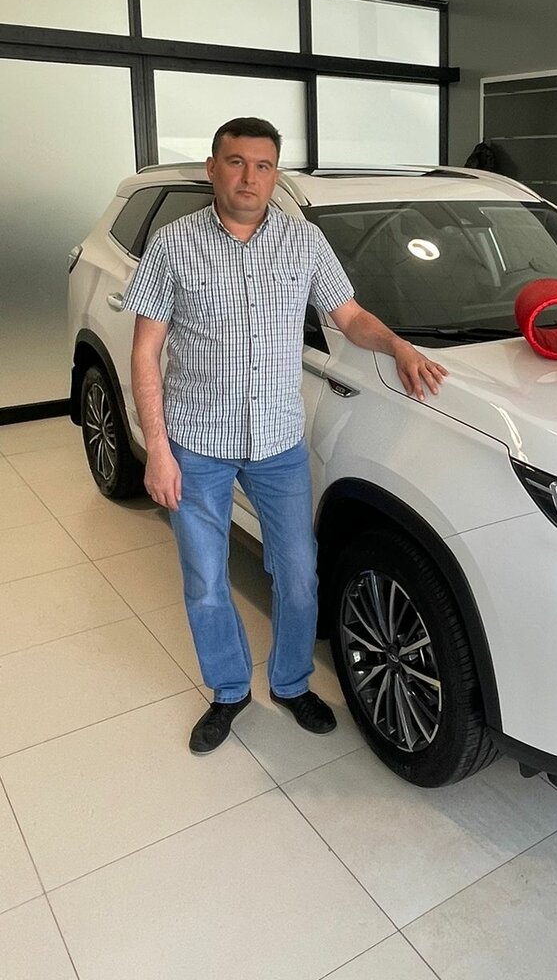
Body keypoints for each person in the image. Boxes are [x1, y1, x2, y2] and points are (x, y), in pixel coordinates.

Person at [124, 117, 447, 754]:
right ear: (213, 168)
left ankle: (292, 682)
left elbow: (348, 316)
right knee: (205, 579)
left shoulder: (303, 242)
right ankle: (228, 690)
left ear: (276, 174)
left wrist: (398, 345)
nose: (249, 177)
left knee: (299, 573)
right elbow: (145, 351)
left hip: (277, 444)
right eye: (236, 162)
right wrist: (157, 448)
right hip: (196, 441)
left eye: (263, 165)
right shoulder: (172, 244)